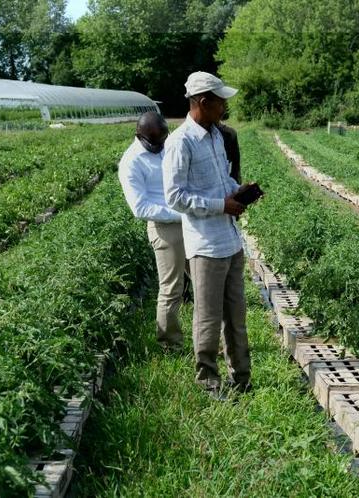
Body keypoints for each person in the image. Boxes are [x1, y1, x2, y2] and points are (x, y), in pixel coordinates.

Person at [163, 71, 253, 398]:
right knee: (208, 319)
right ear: (203, 102)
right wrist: (220, 205)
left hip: (230, 241)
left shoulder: (216, 136)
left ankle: (242, 378)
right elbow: (175, 196)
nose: (224, 108)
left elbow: (222, 182)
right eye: (220, 102)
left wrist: (239, 192)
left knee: (236, 316)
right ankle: (209, 383)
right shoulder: (180, 142)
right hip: (205, 247)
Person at [118, 111, 185, 351]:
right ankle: (170, 343)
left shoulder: (166, 146)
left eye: (162, 140)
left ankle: (209, 339)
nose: (158, 146)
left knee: (204, 281)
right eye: (152, 142)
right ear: (139, 135)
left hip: (189, 220)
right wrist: (181, 214)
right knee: (171, 288)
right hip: (166, 229)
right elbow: (140, 207)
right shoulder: (131, 161)